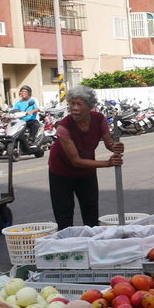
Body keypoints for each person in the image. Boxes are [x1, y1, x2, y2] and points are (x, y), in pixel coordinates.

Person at [47, 85, 124, 230]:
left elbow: (109, 142)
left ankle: (92, 242)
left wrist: (115, 147)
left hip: (87, 170)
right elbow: (75, 161)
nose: (74, 108)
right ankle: (68, 245)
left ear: (90, 106)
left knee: (90, 208)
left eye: (79, 104)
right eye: (72, 103)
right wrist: (107, 163)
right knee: (64, 212)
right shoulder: (63, 127)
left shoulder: (99, 119)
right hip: (61, 171)